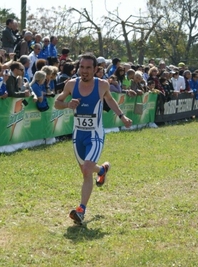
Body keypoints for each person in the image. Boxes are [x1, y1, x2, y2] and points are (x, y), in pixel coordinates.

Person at [54, 53, 132, 225]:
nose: (85, 71)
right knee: (85, 171)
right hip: (78, 135)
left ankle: (81, 210)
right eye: (82, 67)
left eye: (89, 68)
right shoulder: (71, 84)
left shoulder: (102, 85)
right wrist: (67, 104)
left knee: (87, 168)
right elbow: (57, 103)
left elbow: (110, 101)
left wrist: (122, 117)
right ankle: (102, 171)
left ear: (96, 69)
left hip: (95, 135)